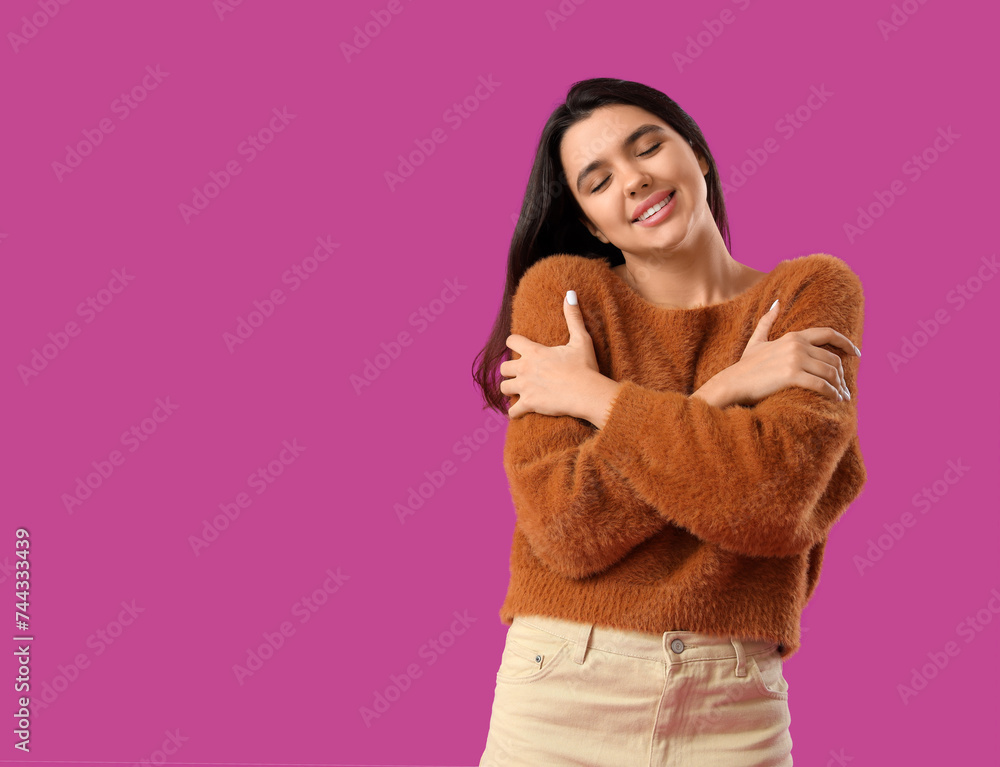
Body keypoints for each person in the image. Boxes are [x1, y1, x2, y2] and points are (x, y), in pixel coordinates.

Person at [471, 78, 867, 766]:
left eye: (647, 145)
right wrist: (729, 391)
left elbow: (773, 502)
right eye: (597, 180)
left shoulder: (810, 292)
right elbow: (567, 527)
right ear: (592, 222)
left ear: (698, 154)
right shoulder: (565, 295)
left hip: (733, 702)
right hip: (565, 687)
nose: (633, 180)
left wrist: (595, 398)